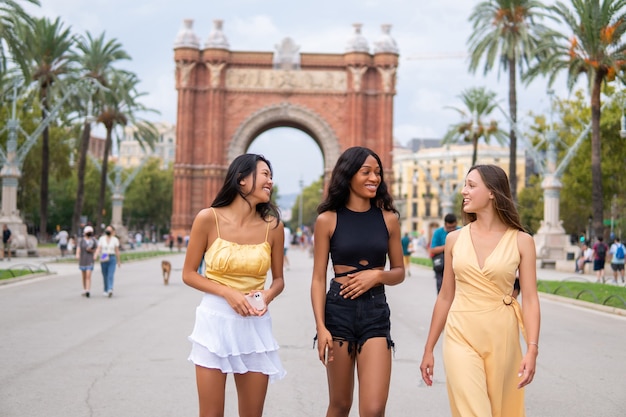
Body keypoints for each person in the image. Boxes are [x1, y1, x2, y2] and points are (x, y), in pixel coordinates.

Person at [419, 164, 541, 417]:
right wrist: (429, 348)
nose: (464, 191)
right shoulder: (454, 239)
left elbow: (529, 298)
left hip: (502, 336)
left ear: (493, 192)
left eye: (471, 186)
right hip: (460, 334)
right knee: (475, 412)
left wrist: (532, 348)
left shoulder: (522, 241)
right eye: (465, 185)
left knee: (500, 411)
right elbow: (445, 296)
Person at [182, 153, 286, 417]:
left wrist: (268, 294)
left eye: (271, 176)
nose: (270, 182)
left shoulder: (273, 226)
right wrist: (227, 292)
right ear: (242, 180)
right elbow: (189, 273)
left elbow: (279, 280)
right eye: (265, 174)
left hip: (254, 324)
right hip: (214, 322)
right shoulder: (208, 218)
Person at [310, 146, 405, 416]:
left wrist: (377, 275)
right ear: (349, 175)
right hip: (338, 312)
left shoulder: (389, 220)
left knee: (374, 409)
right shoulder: (327, 220)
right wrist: (321, 328)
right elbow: (318, 278)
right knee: (340, 405)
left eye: (377, 173)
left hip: (375, 312)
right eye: (366, 172)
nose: (374, 178)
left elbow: (399, 271)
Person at [429, 213, 459, 294]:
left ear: (456, 223)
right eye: (449, 227)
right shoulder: (438, 233)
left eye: (454, 227)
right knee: (442, 290)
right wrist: (448, 245)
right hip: (442, 266)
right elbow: (432, 250)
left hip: (456, 266)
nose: (452, 229)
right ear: (445, 224)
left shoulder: (461, 231)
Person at [93, 225, 121, 297]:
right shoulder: (102, 239)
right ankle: (105, 289)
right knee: (105, 274)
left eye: (109, 230)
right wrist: (96, 254)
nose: (108, 231)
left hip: (111, 256)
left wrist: (118, 261)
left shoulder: (115, 239)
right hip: (104, 255)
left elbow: (117, 251)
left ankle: (110, 288)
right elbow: (99, 248)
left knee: (110, 274)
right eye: (107, 229)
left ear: (112, 231)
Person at [76, 226, 98, 298]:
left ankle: (88, 290)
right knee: (84, 276)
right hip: (83, 260)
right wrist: (77, 254)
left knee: (88, 275)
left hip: (90, 260)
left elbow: (97, 249)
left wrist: (92, 252)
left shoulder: (93, 241)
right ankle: (84, 289)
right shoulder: (81, 240)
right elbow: (78, 248)